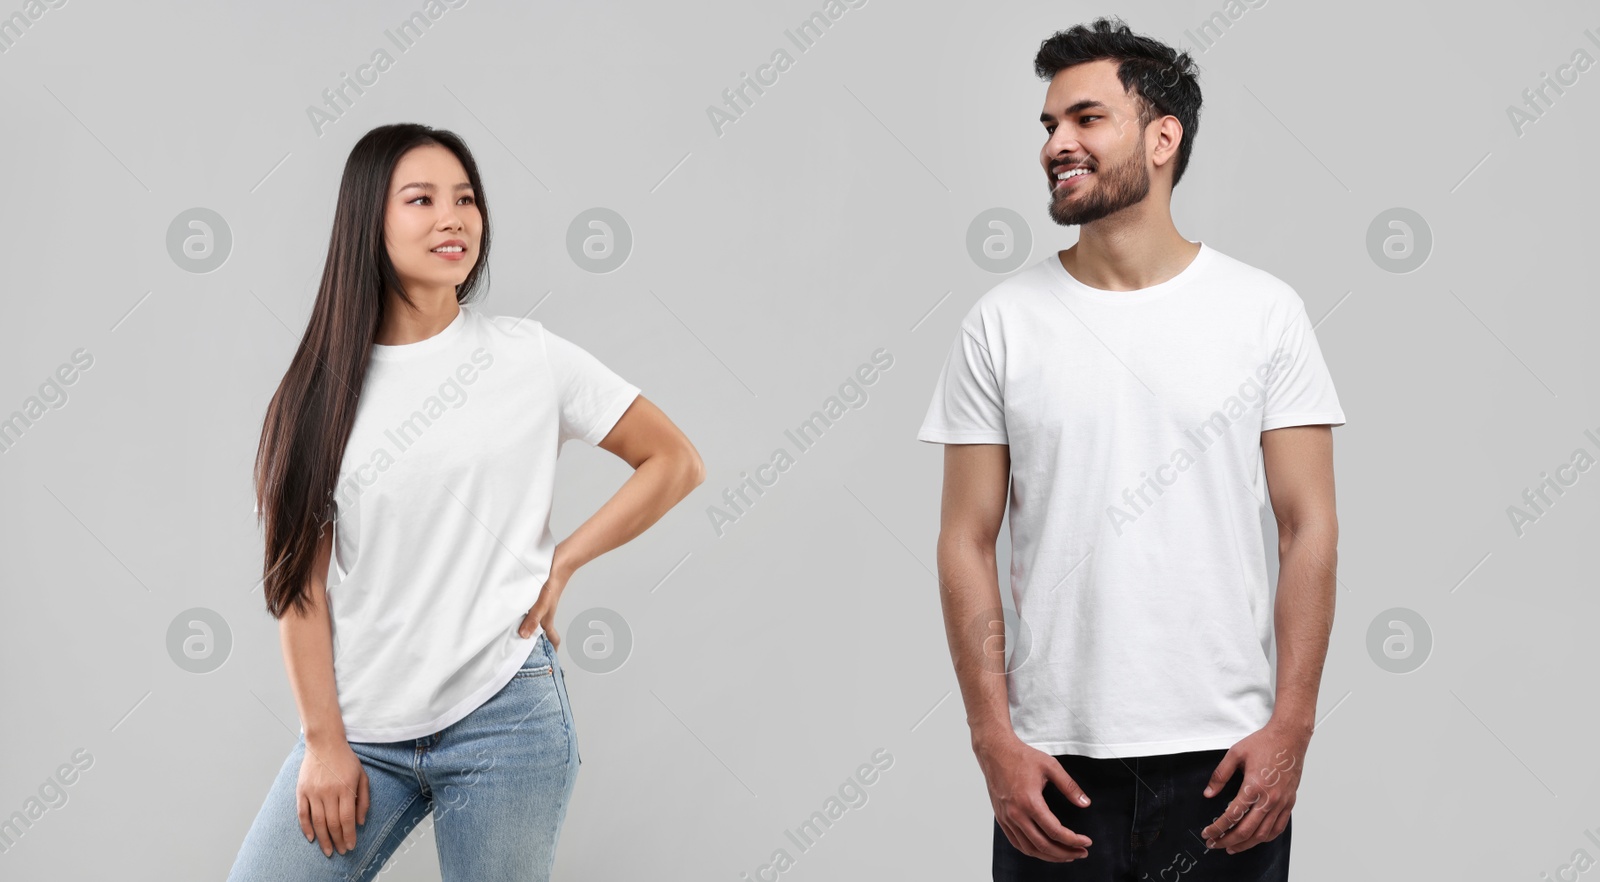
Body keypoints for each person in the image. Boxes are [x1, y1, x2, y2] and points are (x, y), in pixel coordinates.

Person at [917, 17, 1344, 881]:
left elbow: (1310, 527)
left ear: (1162, 137)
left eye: (1085, 119)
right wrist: (992, 737)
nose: (1056, 145)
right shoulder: (1001, 324)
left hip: (1225, 763)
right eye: (1048, 126)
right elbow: (964, 538)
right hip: (1052, 770)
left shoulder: (1264, 313)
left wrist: (1292, 724)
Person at [230, 123, 703, 881]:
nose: (454, 218)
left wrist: (565, 560)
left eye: (467, 199)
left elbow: (674, 461)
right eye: (421, 199)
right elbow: (301, 590)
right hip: (361, 730)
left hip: (506, 719)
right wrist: (324, 743)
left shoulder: (530, 357)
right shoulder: (318, 392)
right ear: (368, 222)